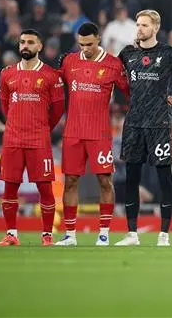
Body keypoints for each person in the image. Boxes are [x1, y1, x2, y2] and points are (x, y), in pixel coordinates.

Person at [115, 10, 172, 247]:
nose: (139, 28)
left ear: (156, 28)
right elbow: (113, 76)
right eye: (138, 24)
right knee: (132, 178)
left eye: (144, 25)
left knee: (164, 178)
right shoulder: (127, 54)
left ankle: (164, 234)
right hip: (134, 124)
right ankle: (132, 234)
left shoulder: (169, 53)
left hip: (159, 123)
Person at [54, 22, 130, 247]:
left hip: (99, 133)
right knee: (70, 181)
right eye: (81, 44)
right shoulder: (69, 61)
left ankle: (104, 233)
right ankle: (70, 235)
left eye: (88, 44)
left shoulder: (113, 64)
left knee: (105, 181)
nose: (84, 49)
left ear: (99, 39)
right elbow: (54, 85)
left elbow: (130, 92)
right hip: (73, 133)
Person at [0, 29, 65, 246]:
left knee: (45, 189)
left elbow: (58, 110)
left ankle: (47, 235)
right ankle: (11, 234)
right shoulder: (6, 74)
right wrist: (17, 123)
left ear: (40, 46)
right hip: (13, 140)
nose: (25, 45)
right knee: (9, 188)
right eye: (23, 42)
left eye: (31, 42)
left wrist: (42, 127)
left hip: (38, 141)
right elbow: (5, 106)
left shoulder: (51, 76)